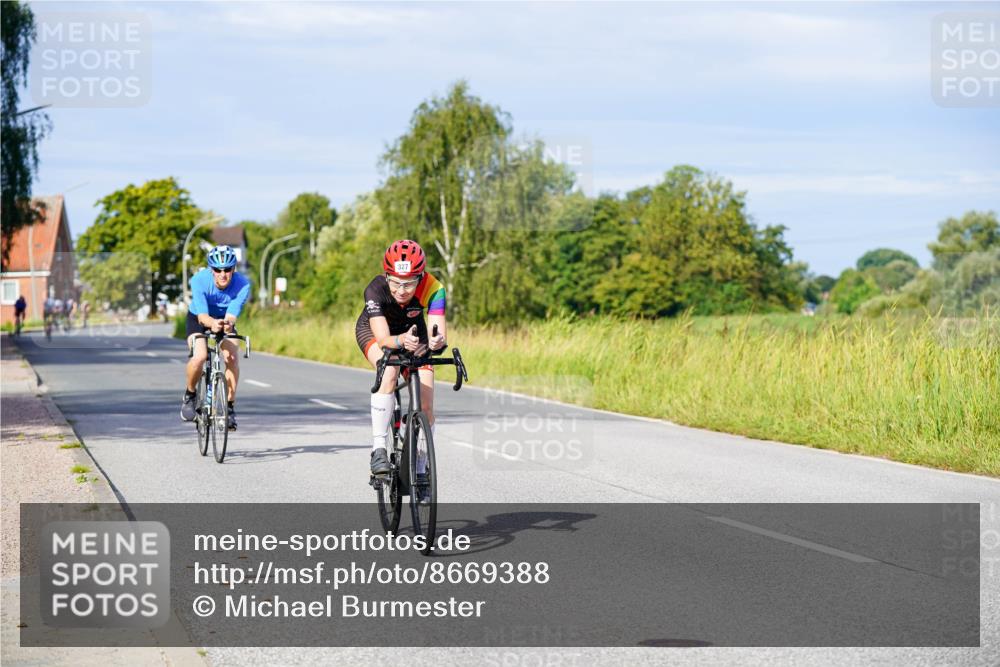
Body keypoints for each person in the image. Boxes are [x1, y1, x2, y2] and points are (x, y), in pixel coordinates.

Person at [355, 240, 447, 483]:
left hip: (414, 335)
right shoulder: (375, 289)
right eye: (395, 282)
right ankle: (378, 449)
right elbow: (384, 340)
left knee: (426, 405)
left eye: (409, 283)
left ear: (421, 277)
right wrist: (400, 340)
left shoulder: (434, 288)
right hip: (376, 333)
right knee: (390, 370)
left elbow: (438, 331)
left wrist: (437, 341)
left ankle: (421, 466)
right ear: (387, 276)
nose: (401, 290)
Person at [180, 245, 251, 430]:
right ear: (211, 269)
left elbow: (232, 315)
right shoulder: (199, 280)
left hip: (224, 319)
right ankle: (190, 395)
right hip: (199, 317)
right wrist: (212, 323)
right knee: (200, 356)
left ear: (233, 269)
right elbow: (203, 316)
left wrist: (226, 324)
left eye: (227, 269)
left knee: (232, 357)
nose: (223, 274)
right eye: (218, 270)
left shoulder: (243, 284)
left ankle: (229, 408)